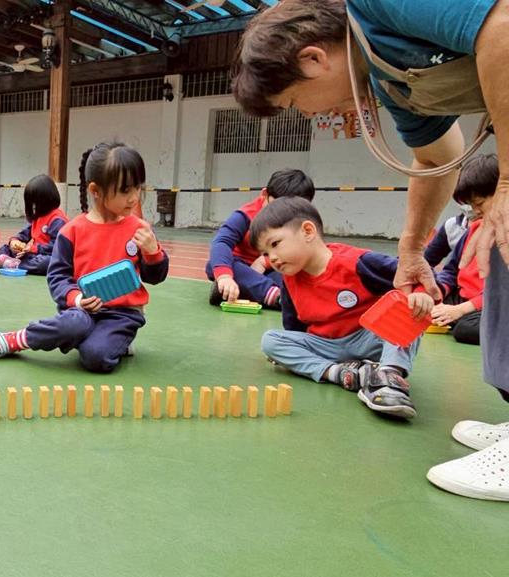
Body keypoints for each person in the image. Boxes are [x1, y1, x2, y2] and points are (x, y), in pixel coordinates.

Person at [231, 0, 509, 500]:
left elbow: (502, 26)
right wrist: (411, 250)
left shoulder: (378, 5)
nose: (310, 115)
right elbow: (437, 157)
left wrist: (507, 181)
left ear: (314, 59)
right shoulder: (386, 78)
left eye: (296, 103)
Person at [0, 142, 169, 373]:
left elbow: (154, 277)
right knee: (76, 323)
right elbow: (58, 277)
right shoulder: (72, 231)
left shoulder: (140, 229)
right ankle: (15, 340)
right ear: (96, 190)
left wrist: (153, 252)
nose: (134, 197)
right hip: (81, 311)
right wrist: (77, 299)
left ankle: (110, 339)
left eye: (138, 188)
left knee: (96, 358)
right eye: (126, 190)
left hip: (122, 315)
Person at [254, 198, 433, 419]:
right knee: (271, 341)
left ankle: (387, 379)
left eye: (274, 244)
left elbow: (412, 273)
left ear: (308, 231)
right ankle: (341, 374)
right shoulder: (289, 282)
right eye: (265, 253)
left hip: (371, 339)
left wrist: (421, 293)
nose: (271, 258)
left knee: (408, 312)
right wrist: (290, 355)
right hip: (328, 346)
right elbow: (294, 330)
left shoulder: (356, 262)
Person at [206, 169, 316, 308]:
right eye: (278, 207)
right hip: (242, 268)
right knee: (215, 265)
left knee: (295, 274)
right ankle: (274, 296)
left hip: (274, 268)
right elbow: (222, 242)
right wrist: (225, 277)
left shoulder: (302, 222)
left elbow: (305, 251)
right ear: (265, 194)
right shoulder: (245, 215)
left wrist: (265, 262)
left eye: (293, 210)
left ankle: (241, 292)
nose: (284, 215)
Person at [433, 154, 499, 345]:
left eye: (479, 204)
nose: (475, 211)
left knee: (465, 329)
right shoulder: (475, 228)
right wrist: (437, 292)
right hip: (463, 298)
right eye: (471, 205)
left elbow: (500, 292)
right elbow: (451, 271)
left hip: (490, 305)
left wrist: (461, 310)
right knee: (421, 307)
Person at [0, 174, 68, 276]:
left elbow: (57, 247)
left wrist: (34, 249)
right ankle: (0, 261)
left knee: (46, 263)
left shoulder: (57, 220)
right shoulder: (38, 217)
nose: (33, 205)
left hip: (48, 255)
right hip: (32, 255)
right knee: (5, 248)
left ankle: (14, 264)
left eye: (35, 201)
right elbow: (24, 234)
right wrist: (15, 241)